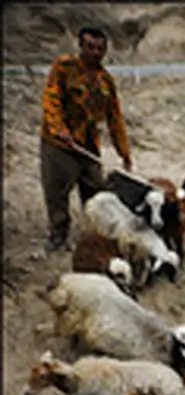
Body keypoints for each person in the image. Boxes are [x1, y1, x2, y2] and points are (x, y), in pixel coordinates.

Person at [39, 26, 133, 253]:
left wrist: (124, 152)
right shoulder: (63, 67)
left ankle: (96, 235)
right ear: (81, 46)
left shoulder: (105, 81)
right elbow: (51, 100)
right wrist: (59, 129)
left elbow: (115, 118)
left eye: (100, 48)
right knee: (57, 192)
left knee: (96, 192)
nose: (95, 53)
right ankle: (58, 235)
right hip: (59, 144)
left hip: (88, 143)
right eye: (90, 47)